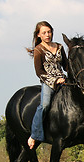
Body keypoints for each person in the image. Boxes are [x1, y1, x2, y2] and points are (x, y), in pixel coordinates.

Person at [27, 21, 68, 149]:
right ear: (39, 35)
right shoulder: (38, 50)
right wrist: (55, 81)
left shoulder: (60, 47)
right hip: (48, 82)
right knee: (44, 105)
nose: (47, 35)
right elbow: (39, 72)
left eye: (49, 32)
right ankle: (34, 134)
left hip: (63, 80)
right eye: (44, 33)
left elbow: (66, 65)